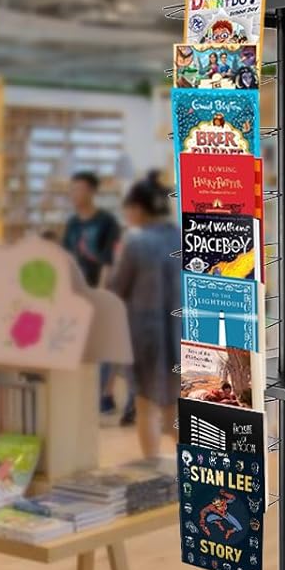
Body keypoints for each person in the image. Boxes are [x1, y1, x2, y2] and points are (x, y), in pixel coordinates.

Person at [108, 172, 180, 460]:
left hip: (145, 334)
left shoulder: (136, 242)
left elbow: (118, 288)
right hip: (180, 331)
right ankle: (191, 469)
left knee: (146, 405)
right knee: (175, 408)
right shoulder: (181, 236)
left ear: (138, 209)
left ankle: (151, 466)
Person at [61, 171, 124, 411]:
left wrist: (100, 292)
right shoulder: (73, 223)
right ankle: (85, 394)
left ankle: (105, 395)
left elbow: (109, 260)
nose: (73, 194)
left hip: (100, 291)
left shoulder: (107, 222)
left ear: (91, 192)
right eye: (72, 189)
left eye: (78, 189)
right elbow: (66, 258)